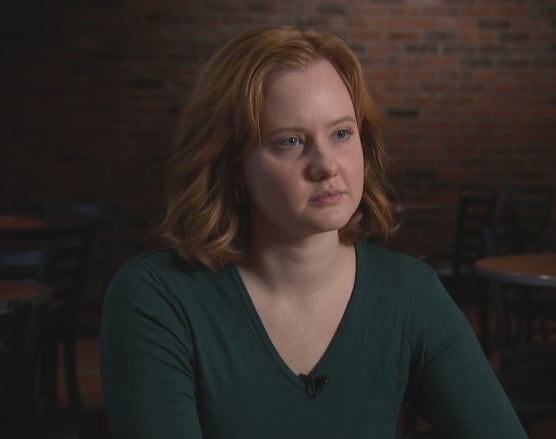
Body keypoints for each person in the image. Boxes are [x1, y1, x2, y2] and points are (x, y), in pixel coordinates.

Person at [100, 25, 528, 439]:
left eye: (341, 133)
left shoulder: (410, 293)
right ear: (232, 166)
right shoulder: (158, 297)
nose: (327, 165)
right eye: (290, 142)